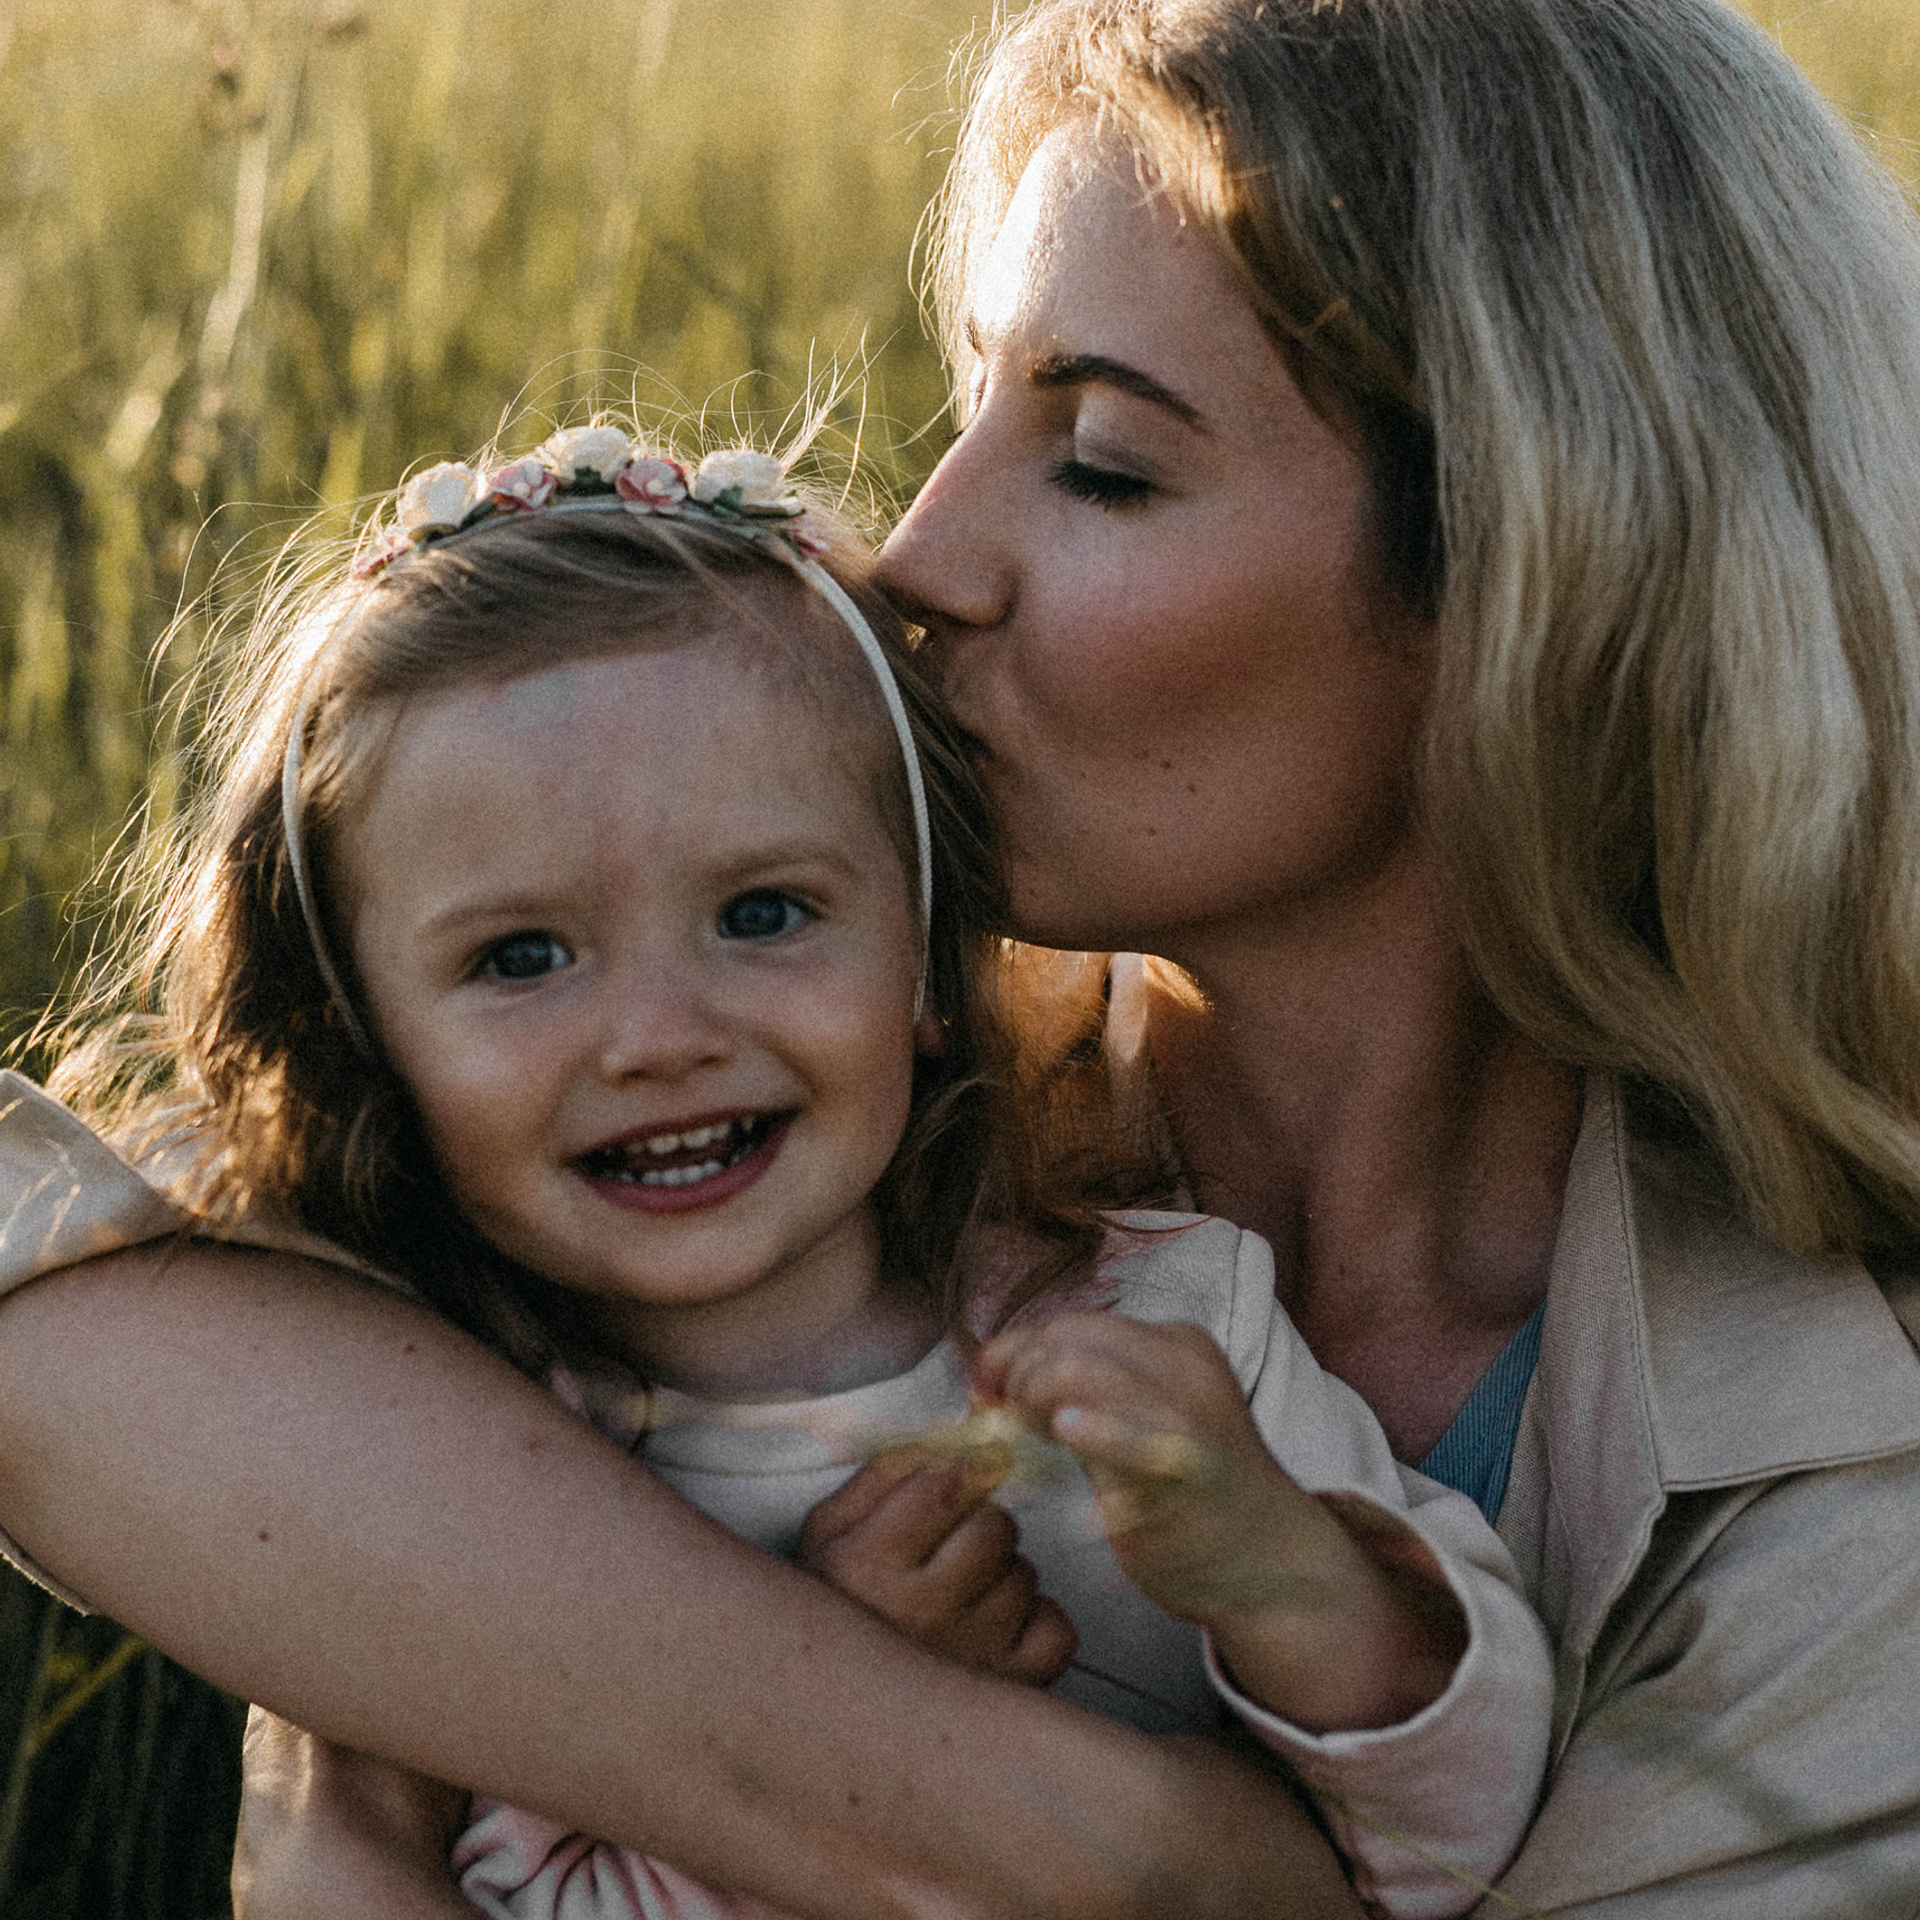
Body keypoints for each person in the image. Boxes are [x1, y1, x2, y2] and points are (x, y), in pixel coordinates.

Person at [4, 0, 1920, 1911]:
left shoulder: (1848, 1479)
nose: (914, 556)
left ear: (1538, 577)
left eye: (1097, 463)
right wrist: (1104, 1837)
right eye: (970, 400)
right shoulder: (793, 1109)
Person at [5, 421, 1549, 1919]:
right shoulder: (470, 1479)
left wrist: (1293, 1584)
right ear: (367, 1044)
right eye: (521, 956)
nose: (662, 1037)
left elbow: (1455, 1851)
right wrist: (842, 1712)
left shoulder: (1167, 1322)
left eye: (762, 915)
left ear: (928, 965)